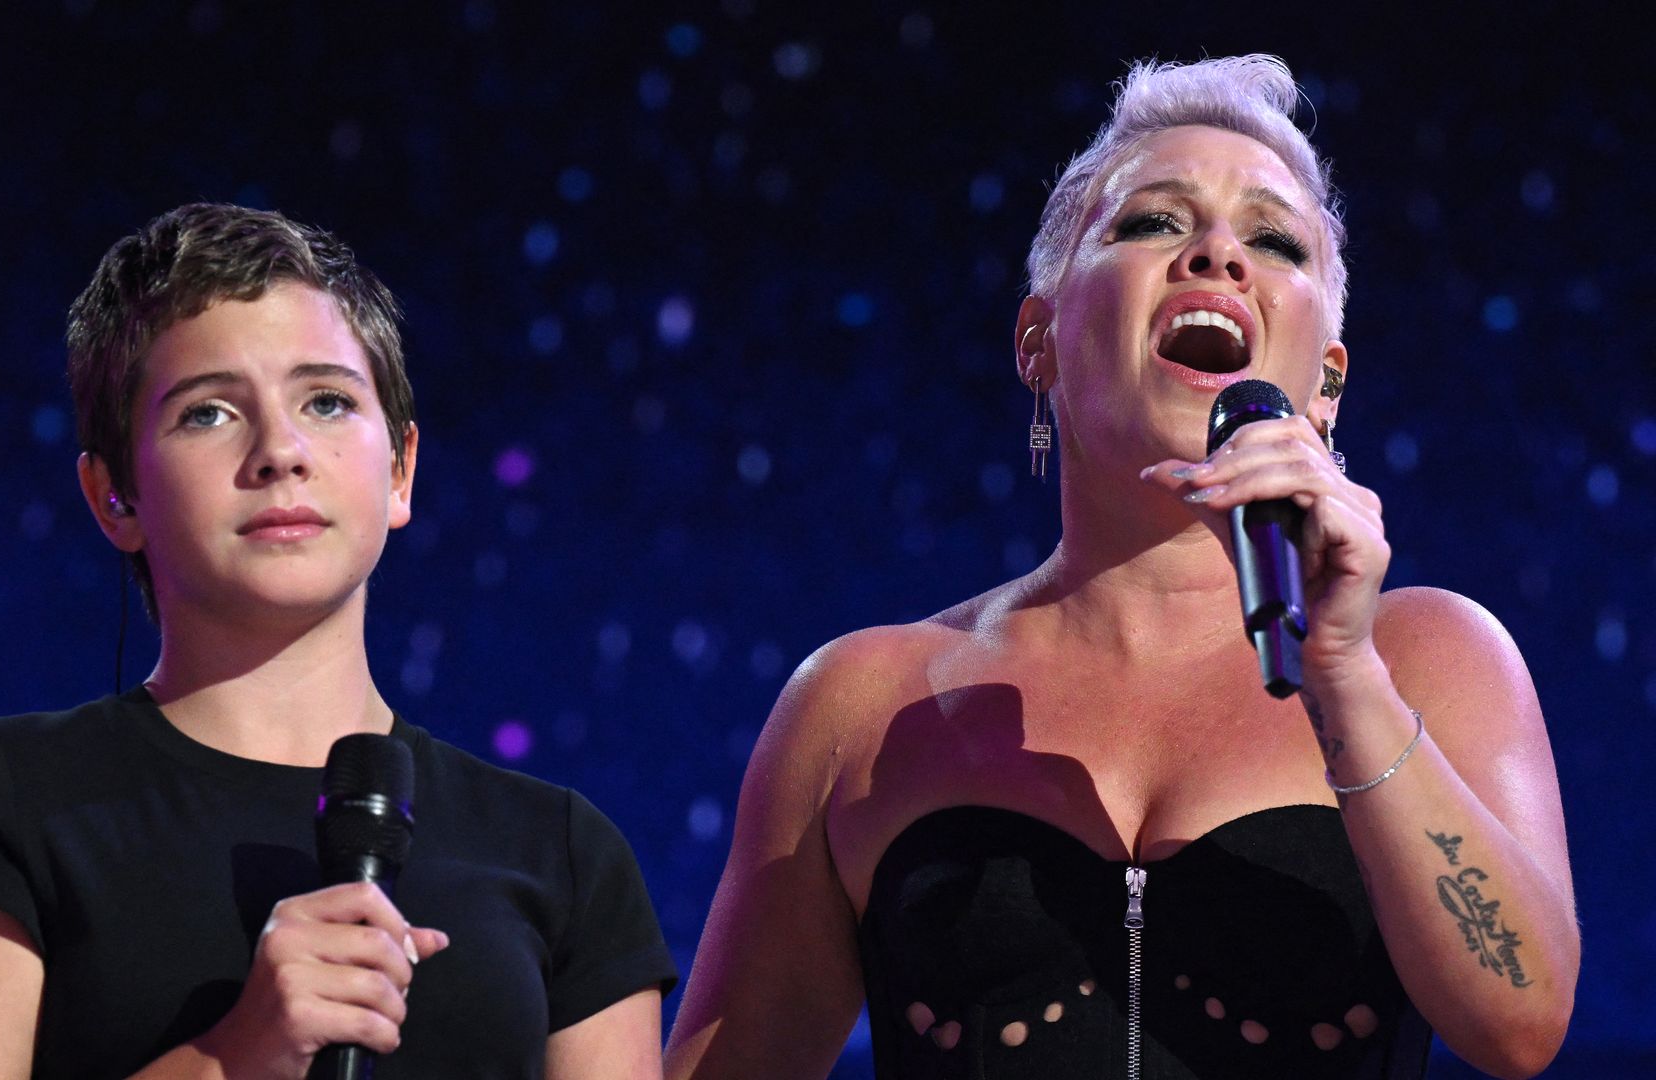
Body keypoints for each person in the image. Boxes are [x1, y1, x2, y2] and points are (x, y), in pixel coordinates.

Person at [666, 55, 1577, 1080]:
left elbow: (1520, 1024)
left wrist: (1344, 673)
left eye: (1273, 241)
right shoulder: (857, 705)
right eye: (1151, 222)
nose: (1219, 256)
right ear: (1038, 341)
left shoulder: (1431, 657)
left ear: (1326, 385)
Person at [0, 203, 676, 1080]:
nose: (280, 450)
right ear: (113, 498)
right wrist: (235, 1054)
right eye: (207, 413)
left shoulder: (562, 854)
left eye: (326, 401)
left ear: (399, 471)